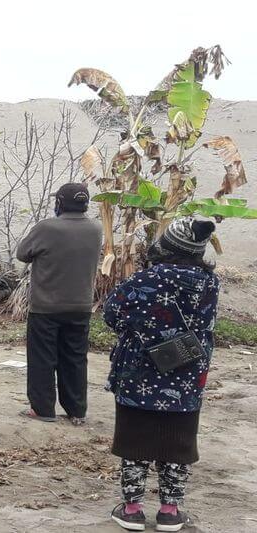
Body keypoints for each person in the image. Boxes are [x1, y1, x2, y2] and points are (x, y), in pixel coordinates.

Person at [105, 217, 219, 532]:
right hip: (188, 372)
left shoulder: (145, 279)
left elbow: (111, 313)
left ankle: (131, 510)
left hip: (138, 372)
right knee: (179, 442)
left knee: (134, 440)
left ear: (165, 246)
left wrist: (144, 334)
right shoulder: (210, 283)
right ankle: (170, 511)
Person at [15, 182, 103, 425]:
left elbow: (22, 253)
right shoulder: (96, 228)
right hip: (81, 307)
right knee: (75, 358)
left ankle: (42, 409)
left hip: (46, 306)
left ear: (59, 203)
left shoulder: (47, 227)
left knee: (43, 358)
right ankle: (76, 411)